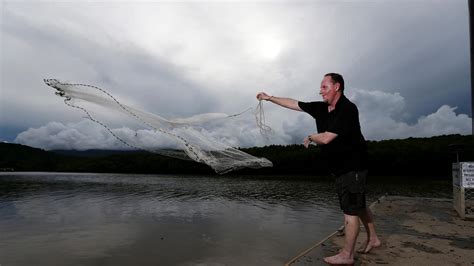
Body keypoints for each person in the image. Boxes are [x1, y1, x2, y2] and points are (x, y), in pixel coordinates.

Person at [256, 73, 381, 265]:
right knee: (360, 204)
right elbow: (294, 103)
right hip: (340, 167)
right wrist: (269, 97)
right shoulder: (321, 108)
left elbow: (327, 138)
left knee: (350, 211)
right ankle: (373, 238)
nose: (320, 91)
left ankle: (347, 255)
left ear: (337, 87)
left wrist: (311, 137)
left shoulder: (347, 109)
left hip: (353, 166)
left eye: (324, 87)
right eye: (321, 87)